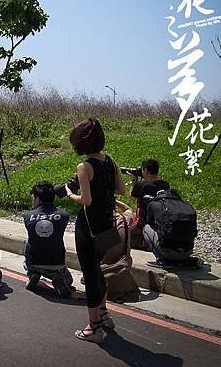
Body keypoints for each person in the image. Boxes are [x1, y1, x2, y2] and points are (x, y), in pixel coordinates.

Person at [65, 118, 125, 344]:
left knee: (90, 274)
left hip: (87, 226)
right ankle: (103, 312)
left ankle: (94, 328)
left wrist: (71, 194)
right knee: (97, 269)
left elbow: (86, 200)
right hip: (106, 224)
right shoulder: (110, 161)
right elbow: (121, 189)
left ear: (81, 142)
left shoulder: (84, 167)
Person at [22, 181, 73, 298]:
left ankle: (32, 274)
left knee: (30, 242)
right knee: (69, 279)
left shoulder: (27, 215)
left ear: (38, 199)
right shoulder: (64, 215)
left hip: (34, 261)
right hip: (56, 263)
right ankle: (58, 279)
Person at [142, 189, 199, 268]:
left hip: (168, 252)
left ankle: (162, 259)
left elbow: (149, 222)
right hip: (188, 251)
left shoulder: (154, 204)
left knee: (146, 227)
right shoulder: (187, 205)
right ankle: (183, 259)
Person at [100, 201, 140, 302]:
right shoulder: (125, 219)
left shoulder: (97, 223)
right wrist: (113, 199)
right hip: (123, 266)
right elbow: (128, 209)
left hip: (103, 272)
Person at [128, 158, 170, 250]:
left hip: (142, 223)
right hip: (159, 223)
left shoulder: (141, 185)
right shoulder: (165, 185)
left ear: (146, 170)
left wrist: (134, 181)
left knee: (123, 236)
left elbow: (132, 196)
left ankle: (144, 243)